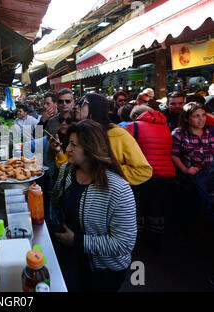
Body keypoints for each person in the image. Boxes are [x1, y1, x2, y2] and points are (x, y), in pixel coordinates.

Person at [51, 119, 136, 292]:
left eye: (73, 145)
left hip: (103, 270)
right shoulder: (66, 170)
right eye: (68, 143)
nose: (67, 149)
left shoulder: (118, 189)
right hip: (70, 258)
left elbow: (124, 244)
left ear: (91, 149)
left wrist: (77, 240)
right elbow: (56, 202)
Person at [72, 93, 152, 186]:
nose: (76, 107)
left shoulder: (117, 134)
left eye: (82, 103)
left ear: (96, 107)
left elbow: (143, 171)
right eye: (77, 102)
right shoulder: (79, 132)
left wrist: (106, 173)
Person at [126, 106, 175, 249]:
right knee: (157, 206)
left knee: (138, 205)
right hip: (166, 174)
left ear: (136, 115)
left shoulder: (134, 126)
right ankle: (156, 240)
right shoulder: (165, 127)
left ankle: (138, 240)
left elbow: (127, 149)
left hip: (143, 172)